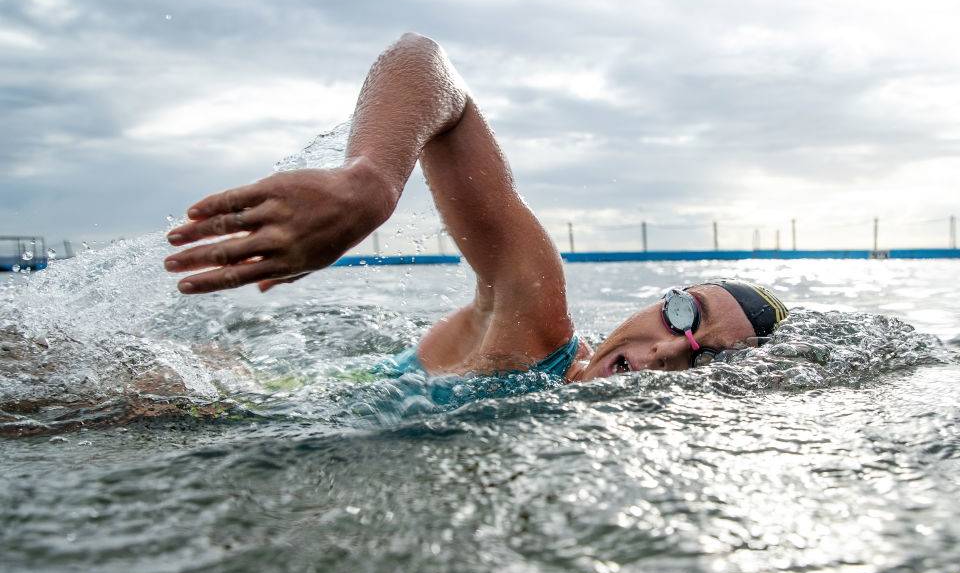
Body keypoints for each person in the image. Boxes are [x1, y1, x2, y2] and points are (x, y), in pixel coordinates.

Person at [164, 33, 788, 383]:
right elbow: (424, 63)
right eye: (685, 314)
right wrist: (370, 181)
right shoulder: (538, 329)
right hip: (207, 397)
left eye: (710, 360)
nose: (670, 350)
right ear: (661, 299)